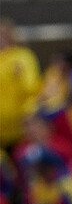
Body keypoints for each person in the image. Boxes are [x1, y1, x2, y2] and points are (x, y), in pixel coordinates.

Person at [0, 19, 41, 149]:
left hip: (20, 125)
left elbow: (32, 87)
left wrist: (19, 77)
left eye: (3, 34)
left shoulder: (23, 56)